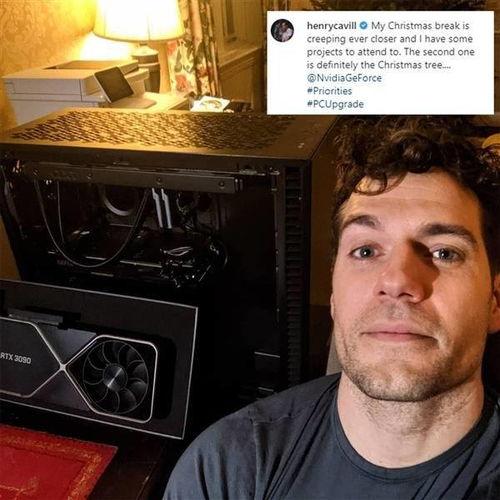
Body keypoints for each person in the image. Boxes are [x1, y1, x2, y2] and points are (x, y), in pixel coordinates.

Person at [164, 117, 500, 499]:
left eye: (444, 253)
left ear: (495, 300)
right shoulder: (221, 471)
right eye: (366, 251)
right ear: (334, 296)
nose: (397, 281)